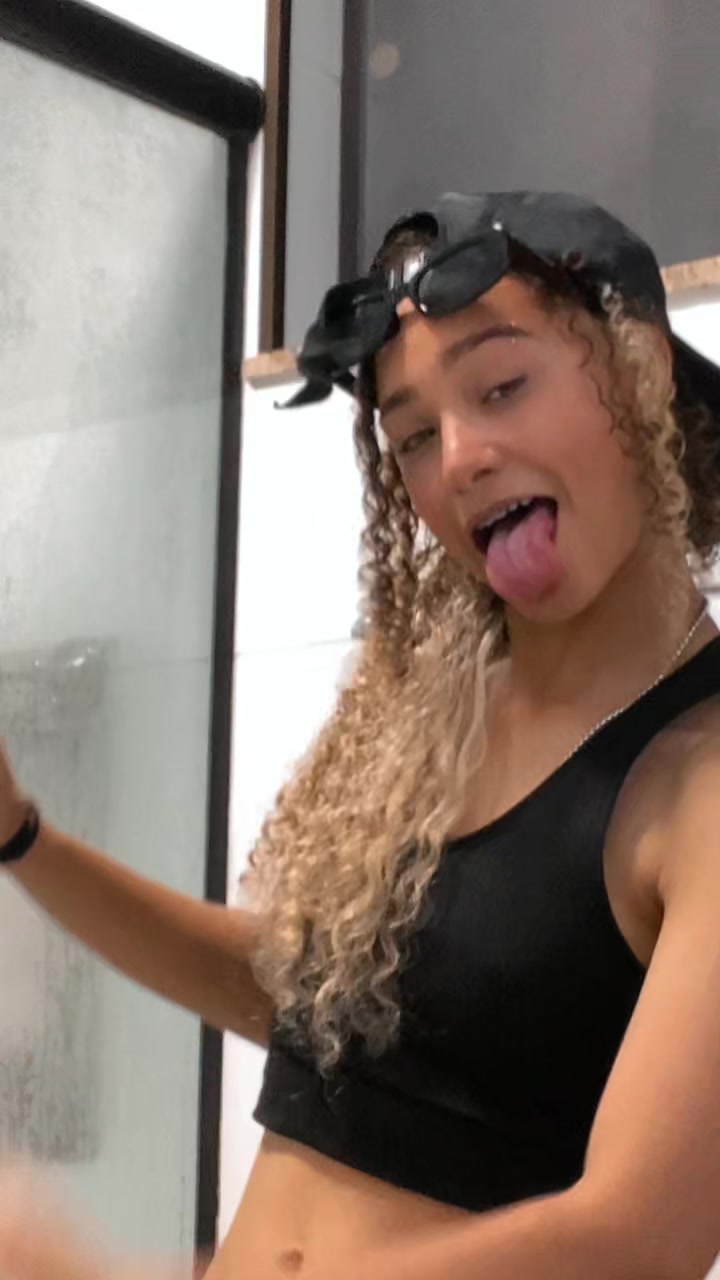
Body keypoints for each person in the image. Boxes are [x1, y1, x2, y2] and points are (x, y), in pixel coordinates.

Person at [1, 190, 720, 1280]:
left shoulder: (698, 777)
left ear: (643, 370)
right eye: (413, 435)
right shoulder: (435, 714)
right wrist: (22, 838)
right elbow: (315, 1004)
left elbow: (638, 1233)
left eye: (502, 386)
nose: (460, 458)